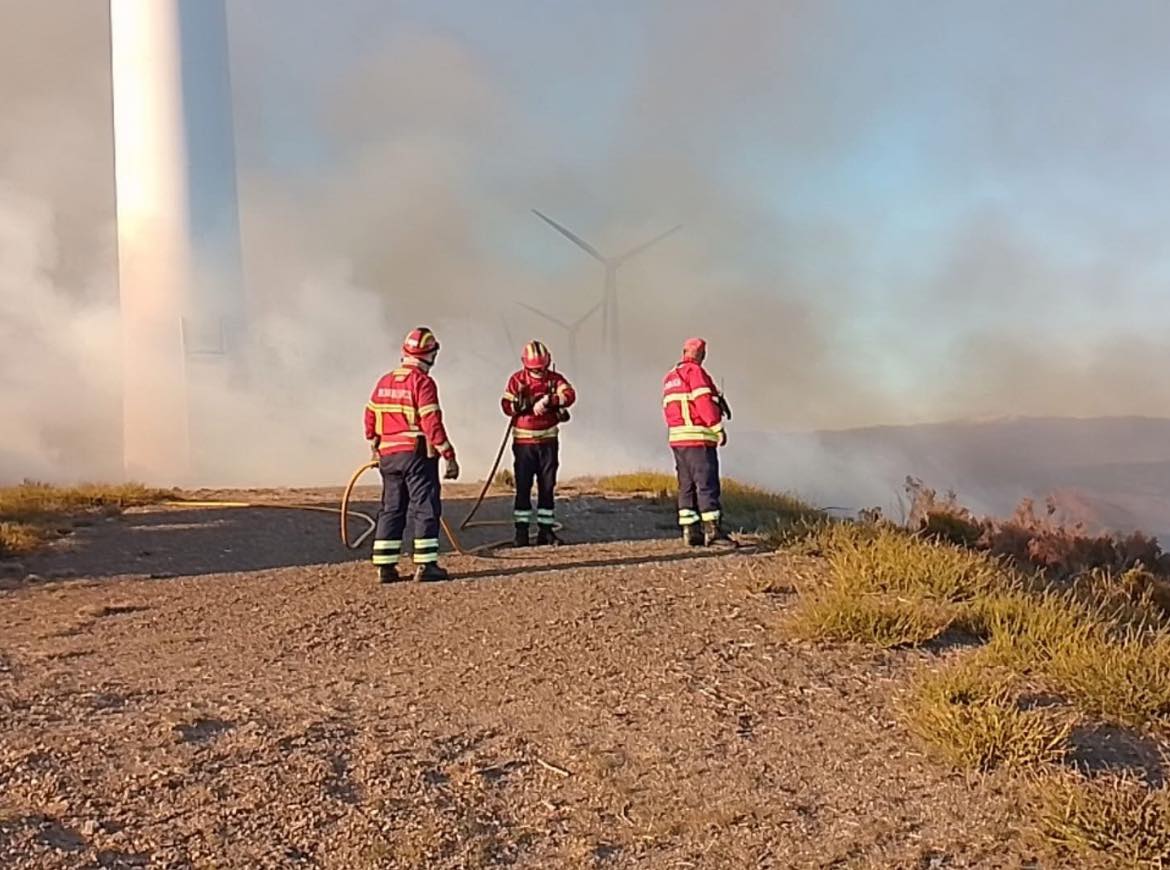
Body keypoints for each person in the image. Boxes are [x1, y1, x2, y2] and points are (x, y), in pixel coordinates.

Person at [364, 326, 460, 582]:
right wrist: (448, 453)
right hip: (416, 455)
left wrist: (373, 441)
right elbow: (431, 421)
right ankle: (426, 565)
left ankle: (385, 567)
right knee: (425, 507)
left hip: (388, 456)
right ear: (430, 354)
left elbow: (370, 414)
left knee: (391, 508)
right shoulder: (423, 382)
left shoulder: (384, 381)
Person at [662, 337, 736, 549]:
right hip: (698, 438)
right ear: (702, 355)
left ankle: (690, 531)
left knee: (686, 486)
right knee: (706, 484)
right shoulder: (696, 373)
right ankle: (713, 532)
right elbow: (703, 402)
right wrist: (716, 426)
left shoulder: (670, 377)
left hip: (678, 439)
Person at [500, 340, 577, 546]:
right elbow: (506, 404)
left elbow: (569, 395)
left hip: (548, 442)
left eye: (543, 368)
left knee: (547, 487)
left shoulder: (555, 380)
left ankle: (546, 531)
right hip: (524, 443)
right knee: (523, 487)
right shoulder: (517, 380)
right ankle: (521, 533)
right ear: (525, 365)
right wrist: (519, 404)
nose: (540, 372)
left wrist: (550, 400)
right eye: (535, 369)